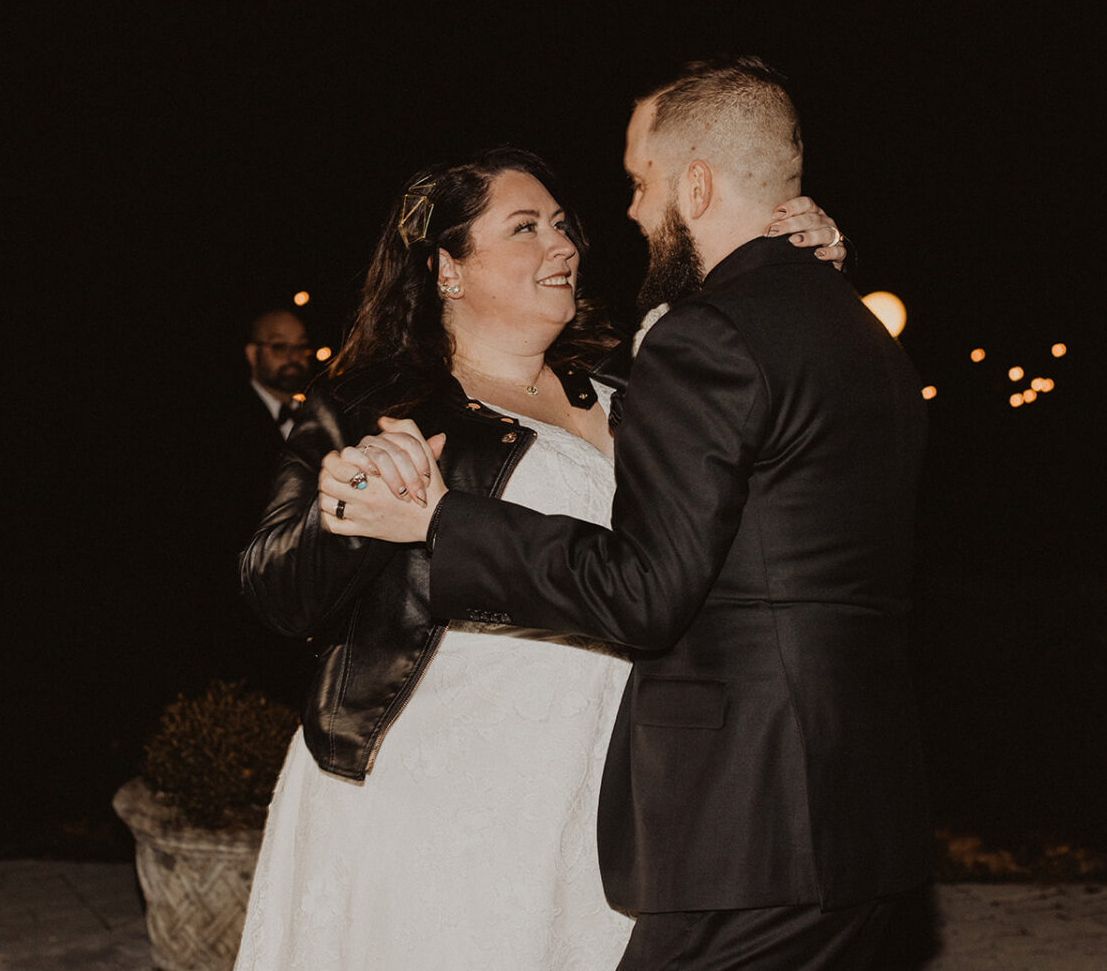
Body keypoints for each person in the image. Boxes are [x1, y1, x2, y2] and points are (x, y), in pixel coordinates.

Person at [325, 59, 929, 971]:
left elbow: (648, 590)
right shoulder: (854, 328)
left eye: (641, 184)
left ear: (694, 183)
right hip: (860, 805)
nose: (634, 214)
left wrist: (444, 524)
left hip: (749, 820)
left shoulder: (709, 335)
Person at [238, 147, 849, 970]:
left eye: (562, 226)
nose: (562, 246)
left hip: (598, 785)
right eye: (524, 228)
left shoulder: (636, 388)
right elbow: (275, 585)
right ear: (448, 268)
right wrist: (345, 511)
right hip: (431, 793)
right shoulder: (376, 403)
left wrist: (791, 271)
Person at [225, 306, 316, 706]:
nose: (294, 357)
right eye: (280, 347)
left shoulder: (320, 418)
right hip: (244, 605)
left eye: (301, 348)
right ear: (252, 354)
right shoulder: (225, 422)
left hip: (308, 599)